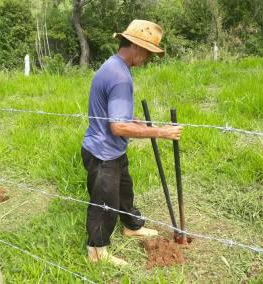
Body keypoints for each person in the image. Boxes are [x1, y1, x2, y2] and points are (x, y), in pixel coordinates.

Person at [81, 19, 182, 266]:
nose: (148, 58)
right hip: (103, 153)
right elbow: (117, 127)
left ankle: (131, 225)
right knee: (105, 203)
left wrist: (135, 120)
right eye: (148, 52)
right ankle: (97, 252)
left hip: (111, 150)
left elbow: (116, 116)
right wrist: (160, 132)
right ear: (136, 46)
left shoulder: (115, 66)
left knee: (124, 189)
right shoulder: (120, 76)